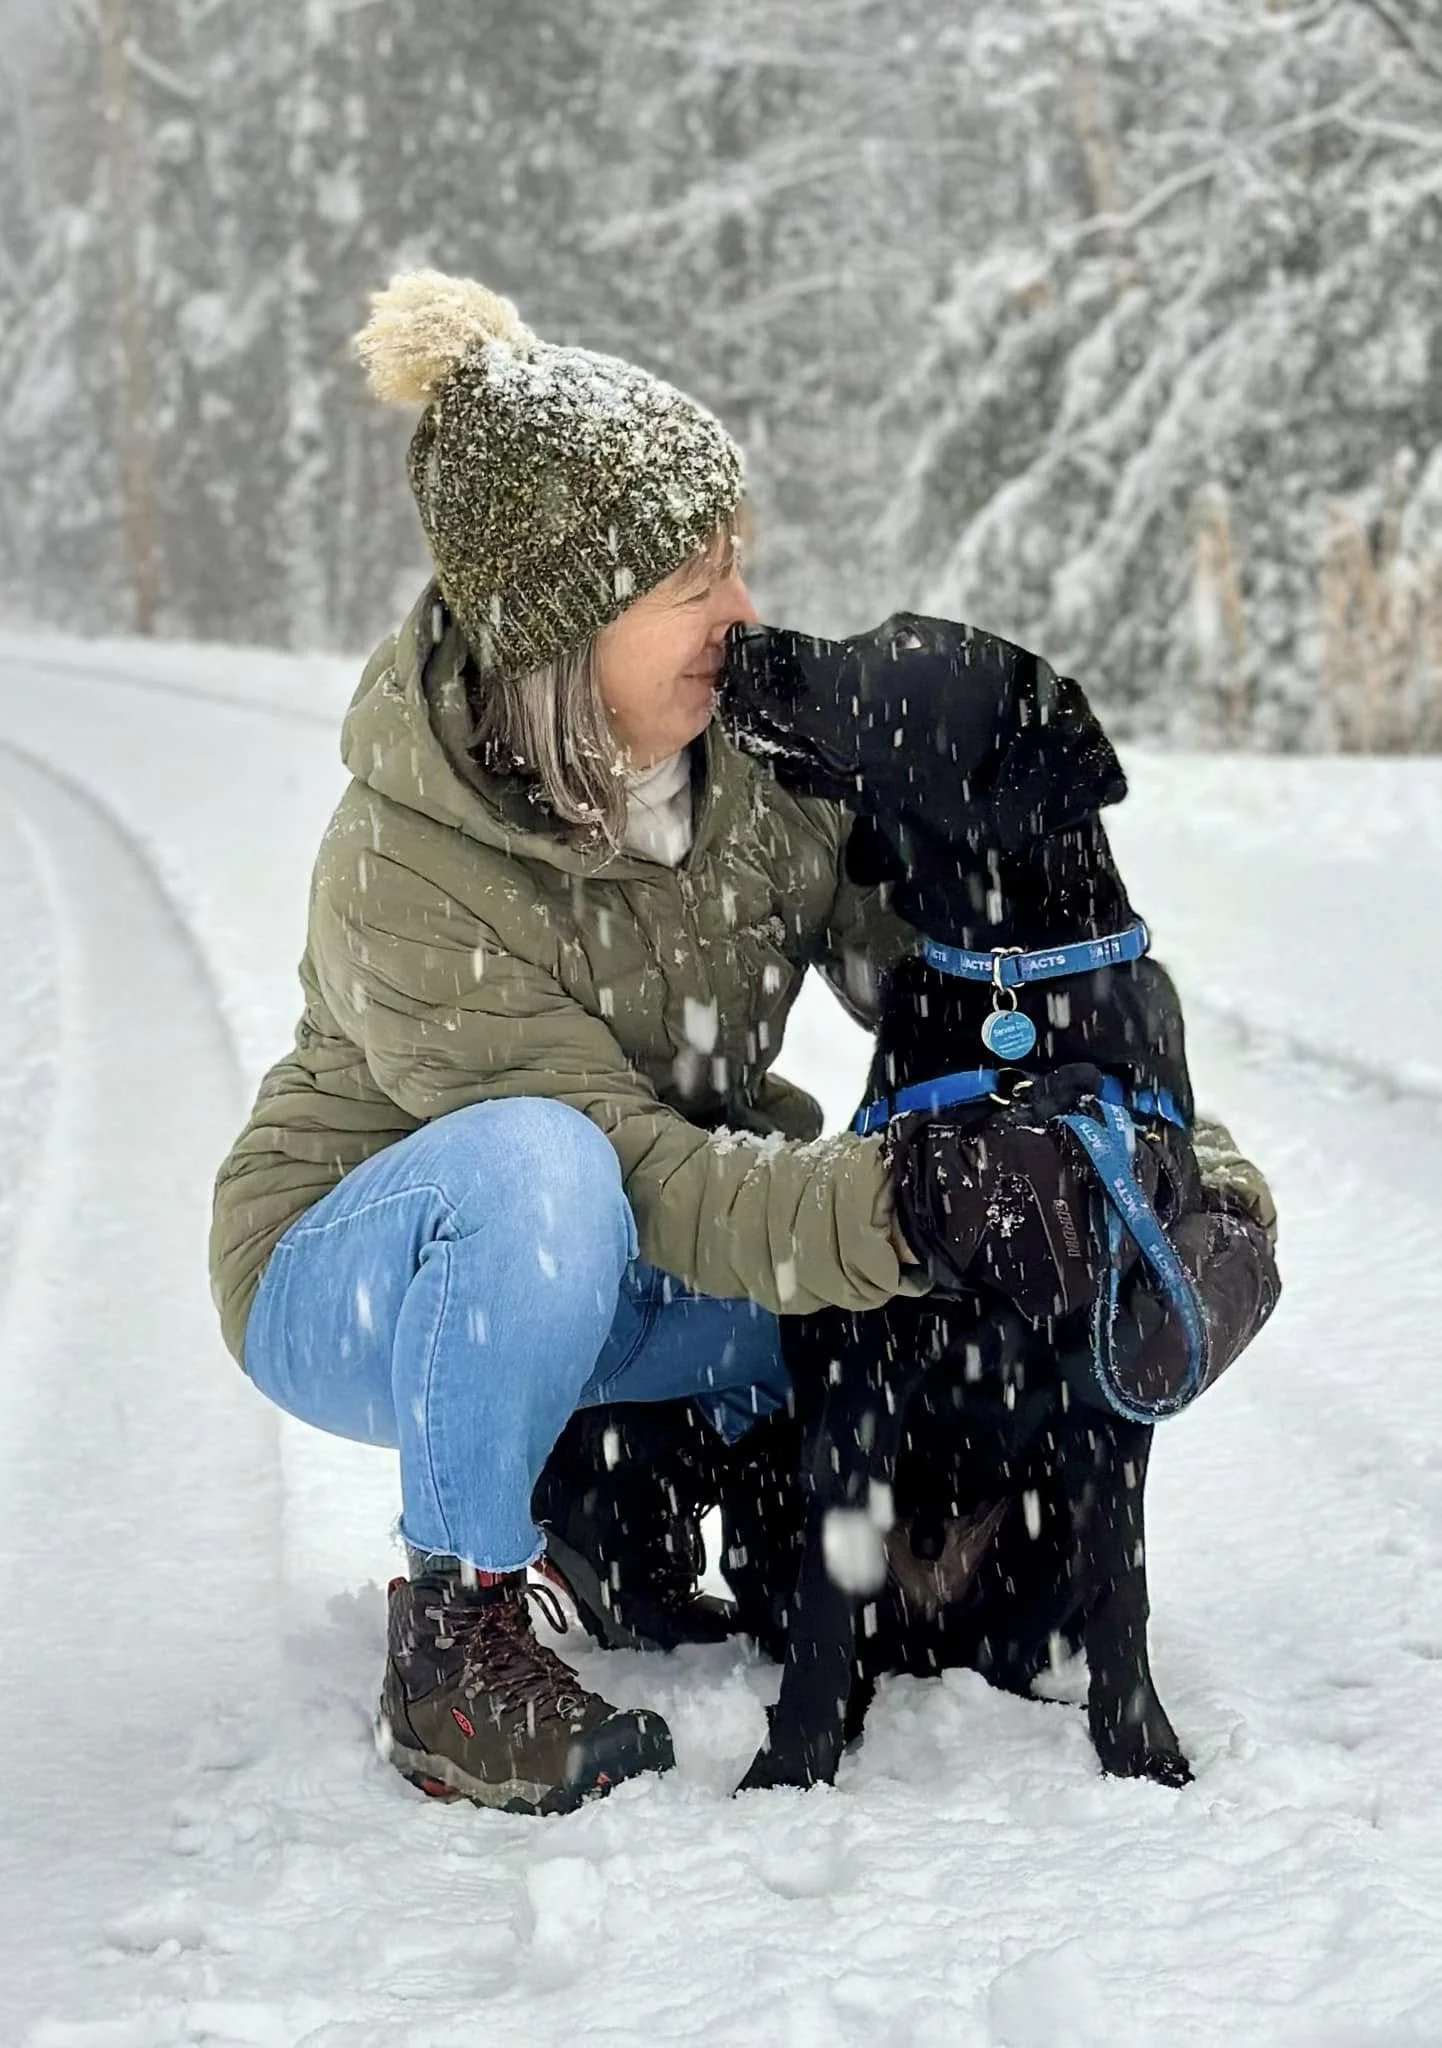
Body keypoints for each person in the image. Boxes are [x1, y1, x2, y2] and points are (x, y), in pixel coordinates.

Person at [209, 270, 1277, 1815]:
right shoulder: (406, 865)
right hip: (363, 1267)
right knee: (561, 1172)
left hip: (617, 1253)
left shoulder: (756, 787)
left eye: (740, 563)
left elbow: (992, 1000)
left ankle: (623, 1515)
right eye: (694, 584)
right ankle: (457, 1637)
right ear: (568, 631)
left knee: (846, 1286)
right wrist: (916, 1200)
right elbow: (640, 1177)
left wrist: (1181, 1192)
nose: (745, 615)